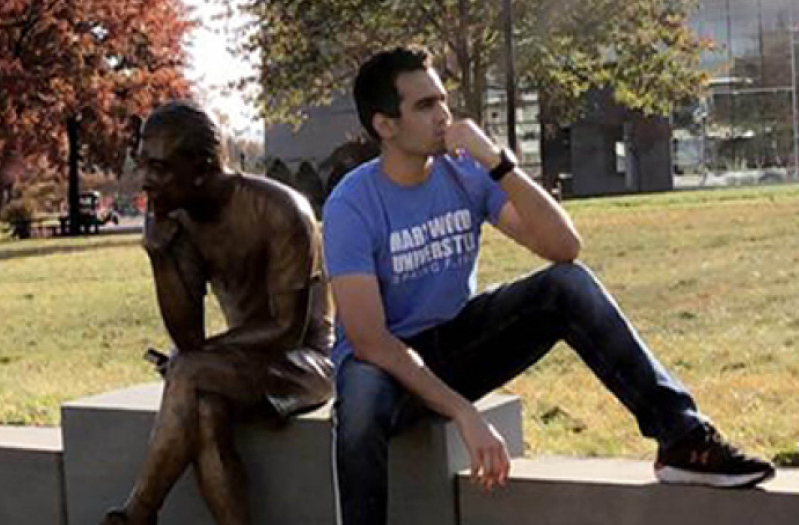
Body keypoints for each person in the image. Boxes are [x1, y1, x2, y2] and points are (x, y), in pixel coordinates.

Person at [322, 46, 775, 525]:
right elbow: (370, 340)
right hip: (384, 368)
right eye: (425, 106)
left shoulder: (466, 172)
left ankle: (682, 439)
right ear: (385, 126)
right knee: (361, 402)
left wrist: (498, 162)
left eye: (443, 101)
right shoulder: (352, 204)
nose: (444, 115)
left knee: (566, 286)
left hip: (455, 343)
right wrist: (464, 413)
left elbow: (564, 247)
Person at [101, 101, 334, 525]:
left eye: (161, 167)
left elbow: (285, 329)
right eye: (143, 164)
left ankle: (138, 513)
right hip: (235, 364)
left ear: (203, 167)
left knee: (189, 373)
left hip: (305, 363)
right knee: (203, 408)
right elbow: (188, 337)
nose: (147, 180)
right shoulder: (180, 218)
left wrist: (197, 359)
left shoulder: (282, 210)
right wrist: (160, 257)